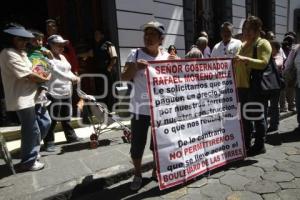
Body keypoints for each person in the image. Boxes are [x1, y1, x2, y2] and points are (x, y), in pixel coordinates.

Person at [121, 20, 174, 191]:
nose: (148, 37)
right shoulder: (135, 54)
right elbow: (123, 77)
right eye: (146, 34)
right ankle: (137, 174)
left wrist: (178, 64)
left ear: (161, 39)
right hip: (140, 109)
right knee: (137, 144)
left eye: (152, 34)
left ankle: (155, 170)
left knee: (158, 143)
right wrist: (135, 67)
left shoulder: (166, 56)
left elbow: (176, 80)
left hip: (160, 109)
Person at [0, 25, 51, 171]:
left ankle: (31, 150)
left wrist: (44, 76)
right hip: (22, 97)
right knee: (31, 129)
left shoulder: (21, 53)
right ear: (11, 39)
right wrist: (45, 78)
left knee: (45, 122)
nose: (24, 42)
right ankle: (28, 161)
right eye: (20, 39)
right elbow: (29, 75)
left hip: (34, 95)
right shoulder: (8, 53)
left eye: (25, 39)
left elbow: (35, 71)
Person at [234, 16, 272, 156]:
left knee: (257, 116)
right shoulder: (243, 45)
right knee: (244, 117)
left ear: (257, 30)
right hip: (241, 87)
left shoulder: (263, 43)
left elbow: (263, 63)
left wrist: (245, 59)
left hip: (254, 87)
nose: (246, 31)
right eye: (245, 28)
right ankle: (246, 143)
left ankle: (259, 145)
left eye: (249, 29)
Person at [43, 35, 82, 152]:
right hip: (53, 91)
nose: (62, 47)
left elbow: (68, 70)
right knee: (53, 118)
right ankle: (49, 142)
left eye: (62, 45)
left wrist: (75, 77)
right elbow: (55, 71)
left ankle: (71, 137)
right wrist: (71, 78)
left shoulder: (63, 57)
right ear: (50, 45)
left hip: (66, 90)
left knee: (67, 116)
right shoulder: (46, 58)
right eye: (59, 45)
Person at [83, 30, 118, 111]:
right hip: (99, 71)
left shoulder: (108, 44)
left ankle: (111, 108)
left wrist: (109, 68)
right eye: (95, 34)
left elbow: (114, 57)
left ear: (102, 35)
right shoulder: (94, 45)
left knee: (109, 88)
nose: (96, 35)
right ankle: (103, 107)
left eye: (97, 34)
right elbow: (88, 55)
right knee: (101, 89)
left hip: (108, 70)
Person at [283, 40, 300, 132]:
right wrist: (285, 75)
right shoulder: (296, 49)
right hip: (298, 83)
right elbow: (288, 64)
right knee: (299, 106)